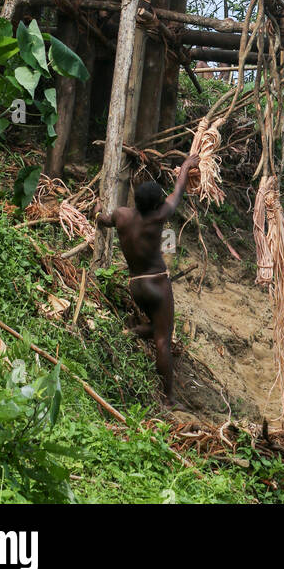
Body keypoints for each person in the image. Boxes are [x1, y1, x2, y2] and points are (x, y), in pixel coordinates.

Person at [96, 155, 200, 406]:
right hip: (157, 284)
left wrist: (97, 210)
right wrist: (186, 166)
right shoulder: (158, 217)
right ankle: (168, 399)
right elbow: (177, 193)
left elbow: (102, 219)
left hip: (136, 285)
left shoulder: (121, 216)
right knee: (163, 338)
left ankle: (129, 333)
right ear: (155, 205)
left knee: (157, 330)